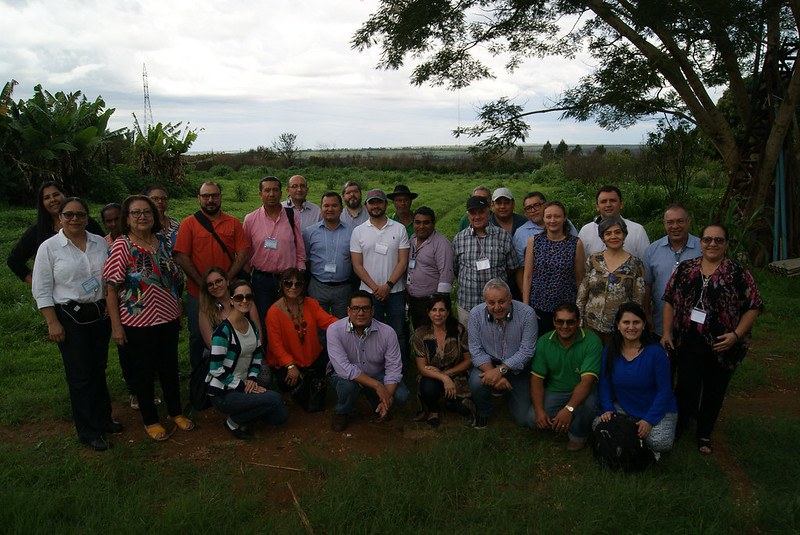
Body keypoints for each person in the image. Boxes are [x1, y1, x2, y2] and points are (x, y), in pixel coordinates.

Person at [661, 224, 763, 455]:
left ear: (726, 244)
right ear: (701, 243)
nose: (712, 244)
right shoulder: (686, 269)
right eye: (708, 240)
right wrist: (667, 333)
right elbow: (668, 300)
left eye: (718, 240)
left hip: (723, 344)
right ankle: (680, 426)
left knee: (714, 390)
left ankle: (704, 433)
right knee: (686, 387)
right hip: (688, 341)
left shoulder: (738, 273)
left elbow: (754, 306)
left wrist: (736, 335)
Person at [31, 197, 119, 452]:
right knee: (80, 376)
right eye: (68, 215)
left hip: (98, 315)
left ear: (87, 217)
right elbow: (42, 288)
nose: (74, 219)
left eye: (80, 215)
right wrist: (52, 322)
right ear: (59, 218)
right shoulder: (49, 248)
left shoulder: (99, 243)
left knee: (98, 369)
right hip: (69, 317)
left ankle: (104, 419)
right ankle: (89, 431)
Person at [104, 195, 194, 442]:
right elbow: (111, 288)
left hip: (167, 317)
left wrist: (178, 309)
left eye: (147, 212)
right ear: (127, 218)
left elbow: (174, 280)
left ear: (154, 217)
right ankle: (151, 420)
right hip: (137, 322)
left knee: (169, 368)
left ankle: (175, 412)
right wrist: (116, 326)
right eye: (136, 213)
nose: (142, 216)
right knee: (143, 372)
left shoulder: (162, 242)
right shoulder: (122, 245)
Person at [174, 181, 250, 373]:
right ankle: (200, 377)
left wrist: (224, 283)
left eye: (214, 195)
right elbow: (182, 256)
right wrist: (204, 285)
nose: (210, 200)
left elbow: (242, 253)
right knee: (199, 336)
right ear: (198, 198)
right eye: (206, 196)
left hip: (228, 293)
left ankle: (233, 372)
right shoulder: (188, 224)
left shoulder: (233, 222)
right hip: (197, 292)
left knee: (231, 331)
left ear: (220, 197)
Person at [208, 280, 288, 440]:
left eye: (248, 297)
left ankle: (247, 411)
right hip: (223, 392)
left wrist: (252, 379)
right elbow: (215, 369)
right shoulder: (222, 332)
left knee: (279, 417)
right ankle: (233, 421)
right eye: (239, 297)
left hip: (246, 384)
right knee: (274, 399)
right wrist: (243, 386)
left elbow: (257, 356)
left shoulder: (252, 326)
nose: (244, 301)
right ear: (231, 300)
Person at [596, 302, 678, 456]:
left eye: (636, 322)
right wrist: (607, 407)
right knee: (598, 424)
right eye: (626, 322)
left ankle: (632, 439)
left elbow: (665, 391)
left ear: (644, 325)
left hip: (656, 408)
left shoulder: (656, 353)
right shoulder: (610, 351)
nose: (631, 327)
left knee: (660, 442)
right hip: (625, 406)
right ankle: (633, 438)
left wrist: (649, 420)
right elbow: (605, 384)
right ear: (618, 325)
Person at [327, 290, 410, 431]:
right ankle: (343, 411)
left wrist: (386, 397)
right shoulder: (334, 330)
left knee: (402, 395)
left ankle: (379, 405)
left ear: (373, 311)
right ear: (348, 310)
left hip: (375, 373)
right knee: (347, 386)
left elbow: (394, 368)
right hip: (345, 377)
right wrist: (378, 386)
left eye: (365, 308)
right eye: (355, 308)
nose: (360, 313)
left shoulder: (388, 332)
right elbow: (343, 368)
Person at [530, 303, 601, 451]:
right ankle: (567, 420)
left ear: (578, 321)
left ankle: (577, 435)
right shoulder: (544, 341)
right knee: (532, 419)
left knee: (588, 404)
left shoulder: (592, 341)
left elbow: (587, 381)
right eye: (560, 321)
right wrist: (538, 410)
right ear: (554, 321)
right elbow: (537, 379)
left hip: (584, 390)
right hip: (556, 390)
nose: (565, 326)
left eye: (570, 322)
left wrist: (568, 409)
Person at [468, 279, 537, 429]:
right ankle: (484, 411)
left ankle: (508, 393)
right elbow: (475, 350)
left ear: (510, 298)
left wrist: (501, 371)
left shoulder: (527, 313)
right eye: (491, 303)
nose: (497, 307)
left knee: (523, 419)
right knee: (475, 383)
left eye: (502, 302)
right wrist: (494, 374)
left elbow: (527, 351)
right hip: (489, 365)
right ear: (485, 301)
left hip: (519, 369)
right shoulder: (475, 314)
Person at [350, 188, 410, 358]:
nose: (376, 206)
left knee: (397, 332)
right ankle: (375, 365)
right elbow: (357, 265)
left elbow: (403, 261)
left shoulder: (399, 229)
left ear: (385, 204)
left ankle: (399, 367)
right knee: (372, 332)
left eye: (379, 202)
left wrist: (388, 285)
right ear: (366, 206)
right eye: (372, 202)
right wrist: (376, 288)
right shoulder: (358, 231)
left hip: (396, 291)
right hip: (369, 293)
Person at [265, 268, 337, 409]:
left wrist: (349, 325)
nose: (293, 287)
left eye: (298, 284)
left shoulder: (311, 304)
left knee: (335, 351)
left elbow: (328, 321)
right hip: (287, 361)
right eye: (288, 283)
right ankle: (297, 387)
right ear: (281, 284)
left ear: (303, 286)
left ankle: (317, 379)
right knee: (288, 382)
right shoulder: (273, 312)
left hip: (312, 357)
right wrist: (290, 365)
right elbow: (275, 345)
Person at [8, 181, 103, 285]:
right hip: (59, 298)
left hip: (95, 293)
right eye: (47, 198)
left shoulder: (84, 222)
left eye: (56, 194)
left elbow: (105, 246)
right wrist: (36, 285)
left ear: (64, 195)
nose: (53, 200)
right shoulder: (37, 231)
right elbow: (14, 261)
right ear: (42, 204)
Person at [243, 176, 306, 326]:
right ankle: (267, 349)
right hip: (261, 280)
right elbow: (246, 252)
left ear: (282, 193)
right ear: (260, 194)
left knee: (289, 319)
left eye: (275, 190)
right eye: (267, 190)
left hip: (288, 279)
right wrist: (245, 278)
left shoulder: (291, 216)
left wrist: (300, 272)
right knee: (264, 319)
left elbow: (299, 247)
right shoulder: (250, 219)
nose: (271, 194)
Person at [576, 215, 646, 344]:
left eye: (617, 232)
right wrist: (579, 321)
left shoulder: (635, 264)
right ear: (602, 237)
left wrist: (633, 325)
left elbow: (638, 300)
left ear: (624, 235)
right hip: (591, 324)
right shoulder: (593, 260)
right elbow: (582, 294)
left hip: (620, 328)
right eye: (608, 233)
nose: (613, 236)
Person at [452, 195, 518, 326]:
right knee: (469, 343)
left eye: (481, 212)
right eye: (472, 213)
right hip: (467, 303)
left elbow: (512, 267)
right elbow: (456, 268)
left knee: (498, 342)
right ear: (467, 214)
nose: (477, 217)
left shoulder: (503, 236)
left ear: (489, 211)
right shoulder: (459, 239)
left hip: (497, 306)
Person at [521, 201, 585, 335]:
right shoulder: (534, 241)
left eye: (557, 216)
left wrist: (580, 307)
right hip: (539, 306)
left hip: (566, 308)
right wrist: (526, 306)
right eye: (548, 216)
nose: (552, 220)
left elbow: (579, 278)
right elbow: (527, 275)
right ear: (543, 218)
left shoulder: (575, 243)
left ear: (564, 218)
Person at [410, 295, 473, 428]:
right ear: (428, 312)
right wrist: (443, 378)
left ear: (448, 312)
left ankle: (449, 401)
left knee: (465, 409)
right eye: (434, 310)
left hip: (456, 374)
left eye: (442, 310)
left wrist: (446, 375)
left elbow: (468, 361)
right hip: (430, 375)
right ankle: (433, 411)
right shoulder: (420, 334)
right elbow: (422, 368)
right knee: (428, 388)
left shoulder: (459, 330)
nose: (437, 314)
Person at [643, 204, 701, 337]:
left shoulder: (702, 248)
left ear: (688, 221)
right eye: (670, 222)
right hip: (660, 323)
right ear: (664, 223)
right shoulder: (652, 251)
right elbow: (647, 285)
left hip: (695, 325)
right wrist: (647, 313)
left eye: (680, 221)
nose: (675, 226)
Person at [302, 191, 353, 318]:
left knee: (343, 325)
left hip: (343, 288)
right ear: (321, 208)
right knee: (317, 325)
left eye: (334, 206)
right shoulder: (309, 232)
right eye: (326, 206)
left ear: (341, 209)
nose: (330, 209)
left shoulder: (352, 232)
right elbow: (306, 258)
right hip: (317, 286)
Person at [406, 207, 454, 330]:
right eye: (418, 222)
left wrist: (440, 304)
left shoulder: (441, 244)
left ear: (433, 224)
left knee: (435, 336)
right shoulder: (411, 240)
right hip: (414, 301)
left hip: (432, 302)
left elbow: (446, 274)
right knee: (420, 334)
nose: (421, 226)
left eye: (426, 222)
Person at [578, 185, 650, 260]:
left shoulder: (637, 230)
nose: (608, 205)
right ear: (597, 206)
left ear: (621, 204)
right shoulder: (585, 231)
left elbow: (645, 263)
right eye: (603, 201)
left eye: (612, 200)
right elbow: (581, 264)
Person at [199, 266, 262, 351]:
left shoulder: (245, 300)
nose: (215, 286)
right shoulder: (205, 310)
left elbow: (259, 335)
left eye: (218, 281)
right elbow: (211, 345)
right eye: (210, 284)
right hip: (222, 357)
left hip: (251, 352)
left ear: (227, 282)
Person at [513, 191, 579, 263]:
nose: (533, 210)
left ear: (546, 205)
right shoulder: (521, 233)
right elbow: (520, 265)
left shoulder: (563, 223)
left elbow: (577, 249)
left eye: (537, 205)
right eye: (528, 208)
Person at [144, 184, 180, 251]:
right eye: (155, 199)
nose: (160, 202)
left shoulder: (175, 222)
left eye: (163, 199)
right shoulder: (143, 224)